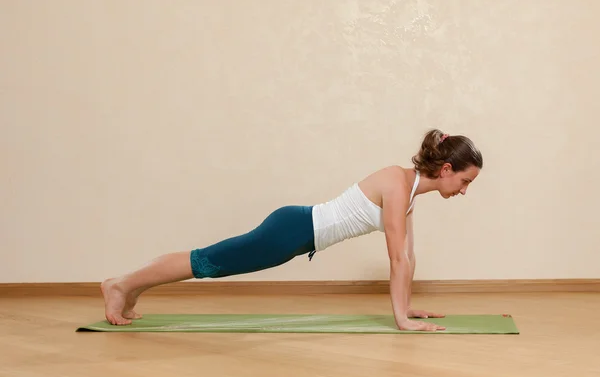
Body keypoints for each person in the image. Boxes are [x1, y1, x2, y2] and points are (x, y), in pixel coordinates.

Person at [101, 128, 483, 331]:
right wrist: (400, 318)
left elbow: (408, 258)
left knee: (209, 261)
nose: (464, 191)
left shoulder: (410, 192)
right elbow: (397, 258)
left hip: (297, 233)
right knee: (207, 262)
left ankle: (130, 288)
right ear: (447, 169)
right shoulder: (397, 185)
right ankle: (121, 285)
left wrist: (407, 308)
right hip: (291, 230)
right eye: (465, 181)